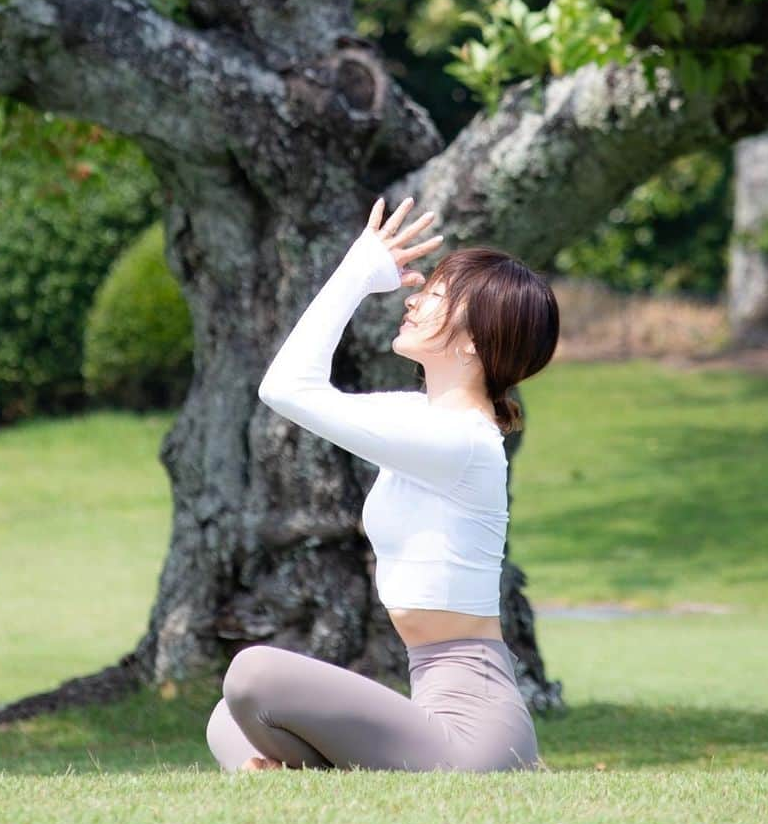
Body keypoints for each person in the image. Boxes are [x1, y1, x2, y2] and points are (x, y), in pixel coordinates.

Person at [205, 194, 559, 773]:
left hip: (476, 728)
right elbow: (292, 387)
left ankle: (497, 764)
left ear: (473, 341)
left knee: (253, 676)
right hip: (430, 697)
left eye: (437, 298)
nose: (414, 300)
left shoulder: (462, 442)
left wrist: (359, 273)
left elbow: (286, 389)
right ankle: (299, 783)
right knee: (228, 713)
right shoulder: (421, 419)